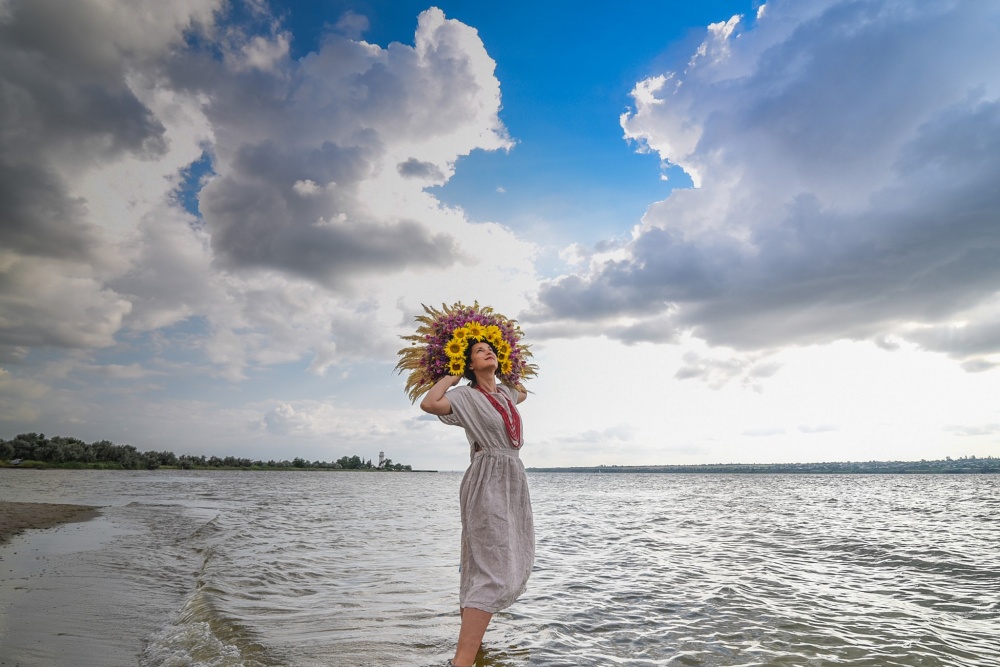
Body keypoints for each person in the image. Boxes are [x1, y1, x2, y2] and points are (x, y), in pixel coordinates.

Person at [420, 339, 535, 667]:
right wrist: (452, 373)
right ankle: (463, 660)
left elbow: (523, 391)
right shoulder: (465, 396)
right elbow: (430, 403)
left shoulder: (506, 394)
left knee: (485, 564)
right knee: (493, 568)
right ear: (469, 363)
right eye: (479, 350)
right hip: (487, 479)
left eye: (492, 349)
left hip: (513, 478)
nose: (488, 352)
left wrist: (509, 363)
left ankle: (473, 651)